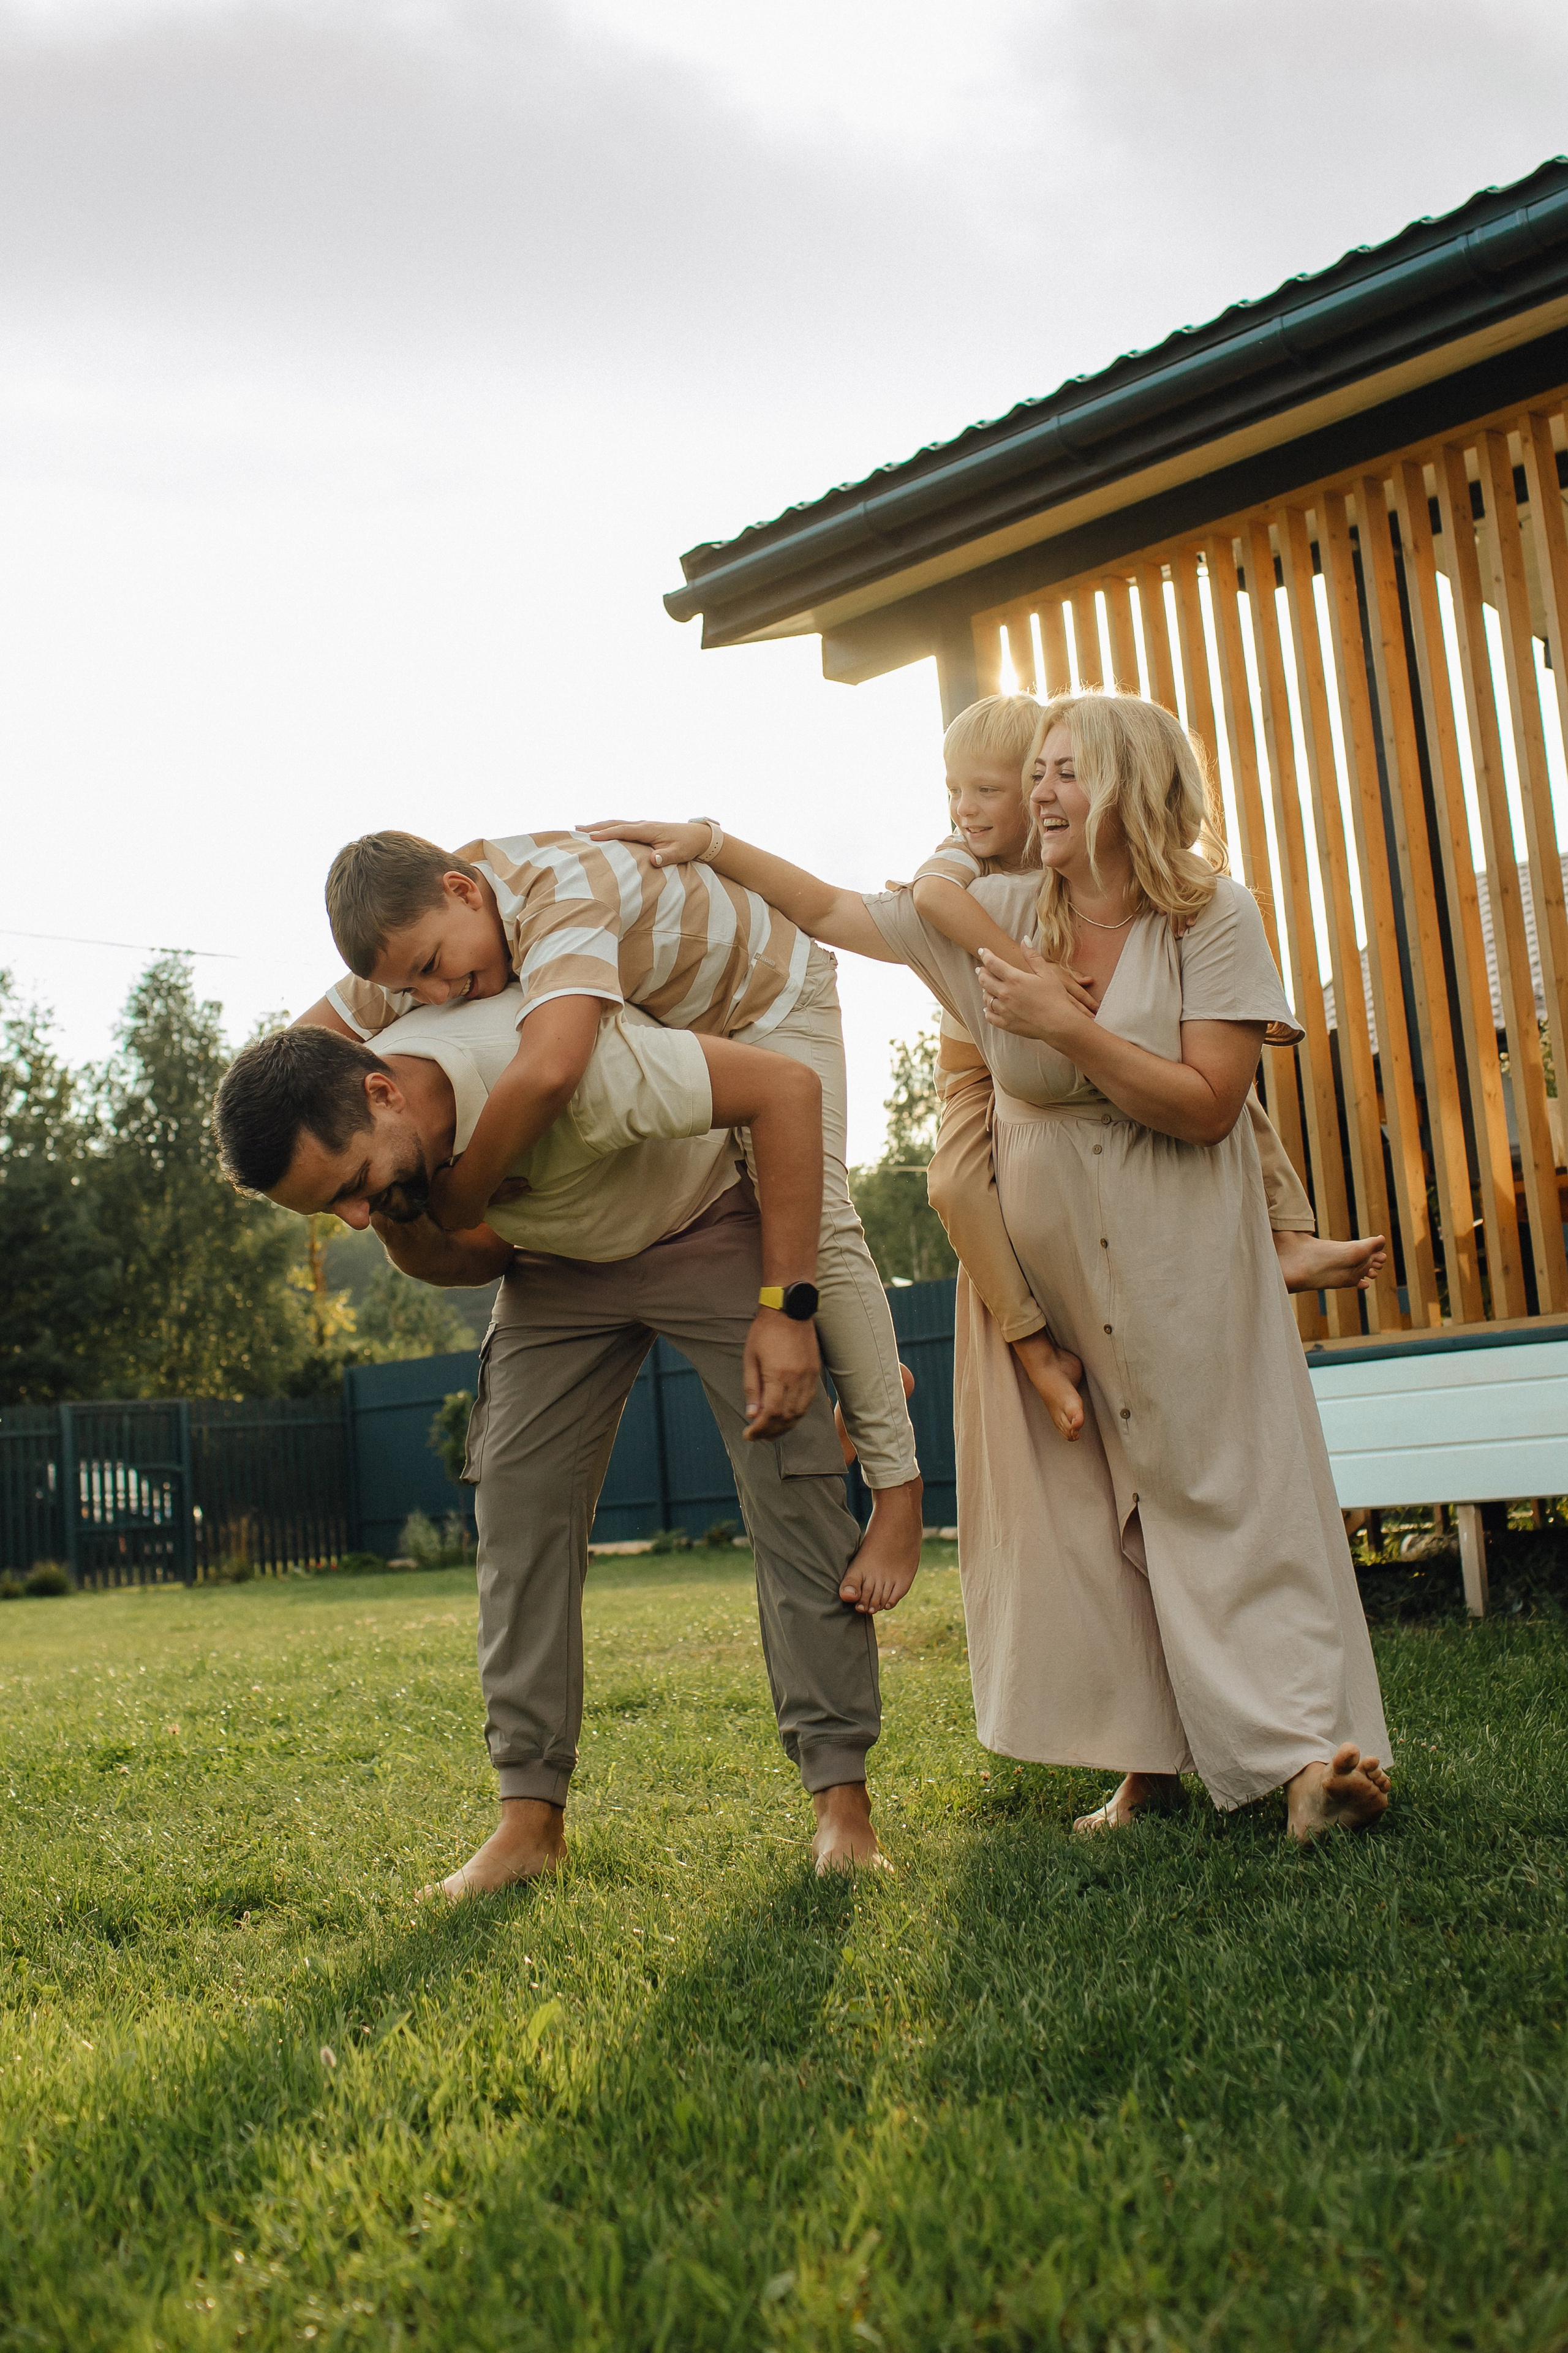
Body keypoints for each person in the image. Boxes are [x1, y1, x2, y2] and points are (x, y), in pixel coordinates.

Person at [584, 690, 1391, 1843]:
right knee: (1085, 1524)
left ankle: (1310, 1761)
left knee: (1232, 1496)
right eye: (1039, 772)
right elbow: (831, 909)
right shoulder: (999, 911)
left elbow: (1212, 1106)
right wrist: (710, 842)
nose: (1038, 793)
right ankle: (1142, 1768)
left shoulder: (1211, 913)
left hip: (1183, 1261)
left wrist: (1069, 1031)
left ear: (1125, 787)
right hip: (1046, 1266)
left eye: (1063, 772)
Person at [214, 989, 892, 1888]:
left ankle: (843, 1809)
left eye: (348, 1188)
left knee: (792, 1479)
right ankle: (528, 1824)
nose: (352, 1219)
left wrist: (786, 1305)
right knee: (517, 1508)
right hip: (557, 1271)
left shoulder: (551, 1059)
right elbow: (480, 1255)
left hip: (700, 1218)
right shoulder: (382, 1123)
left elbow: (784, 1086)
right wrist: (403, 1210)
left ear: (384, 1093)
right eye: (330, 1211)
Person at [293, 828, 921, 1613]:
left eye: (430, 968)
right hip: (673, 1024)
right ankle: (869, 1379)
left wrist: (462, 1196)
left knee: (813, 1229)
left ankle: (897, 1493)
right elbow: (293, 1063)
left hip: (764, 1002)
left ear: (463, 889)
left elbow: (552, 1067)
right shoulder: (416, 936)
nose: (434, 996)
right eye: (409, 990)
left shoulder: (559, 892)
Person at [897, 695, 1387, 1443]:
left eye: (990, 788)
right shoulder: (963, 851)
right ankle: (1034, 1349)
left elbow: (1207, 1092)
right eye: (952, 789)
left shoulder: (1079, 848)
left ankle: (1287, 1233)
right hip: (981, 1050)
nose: (967, 808)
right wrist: (1023, 961)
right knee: (954, 1181)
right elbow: (929, 895)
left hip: (1065, 1032)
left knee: (1210, 1083)